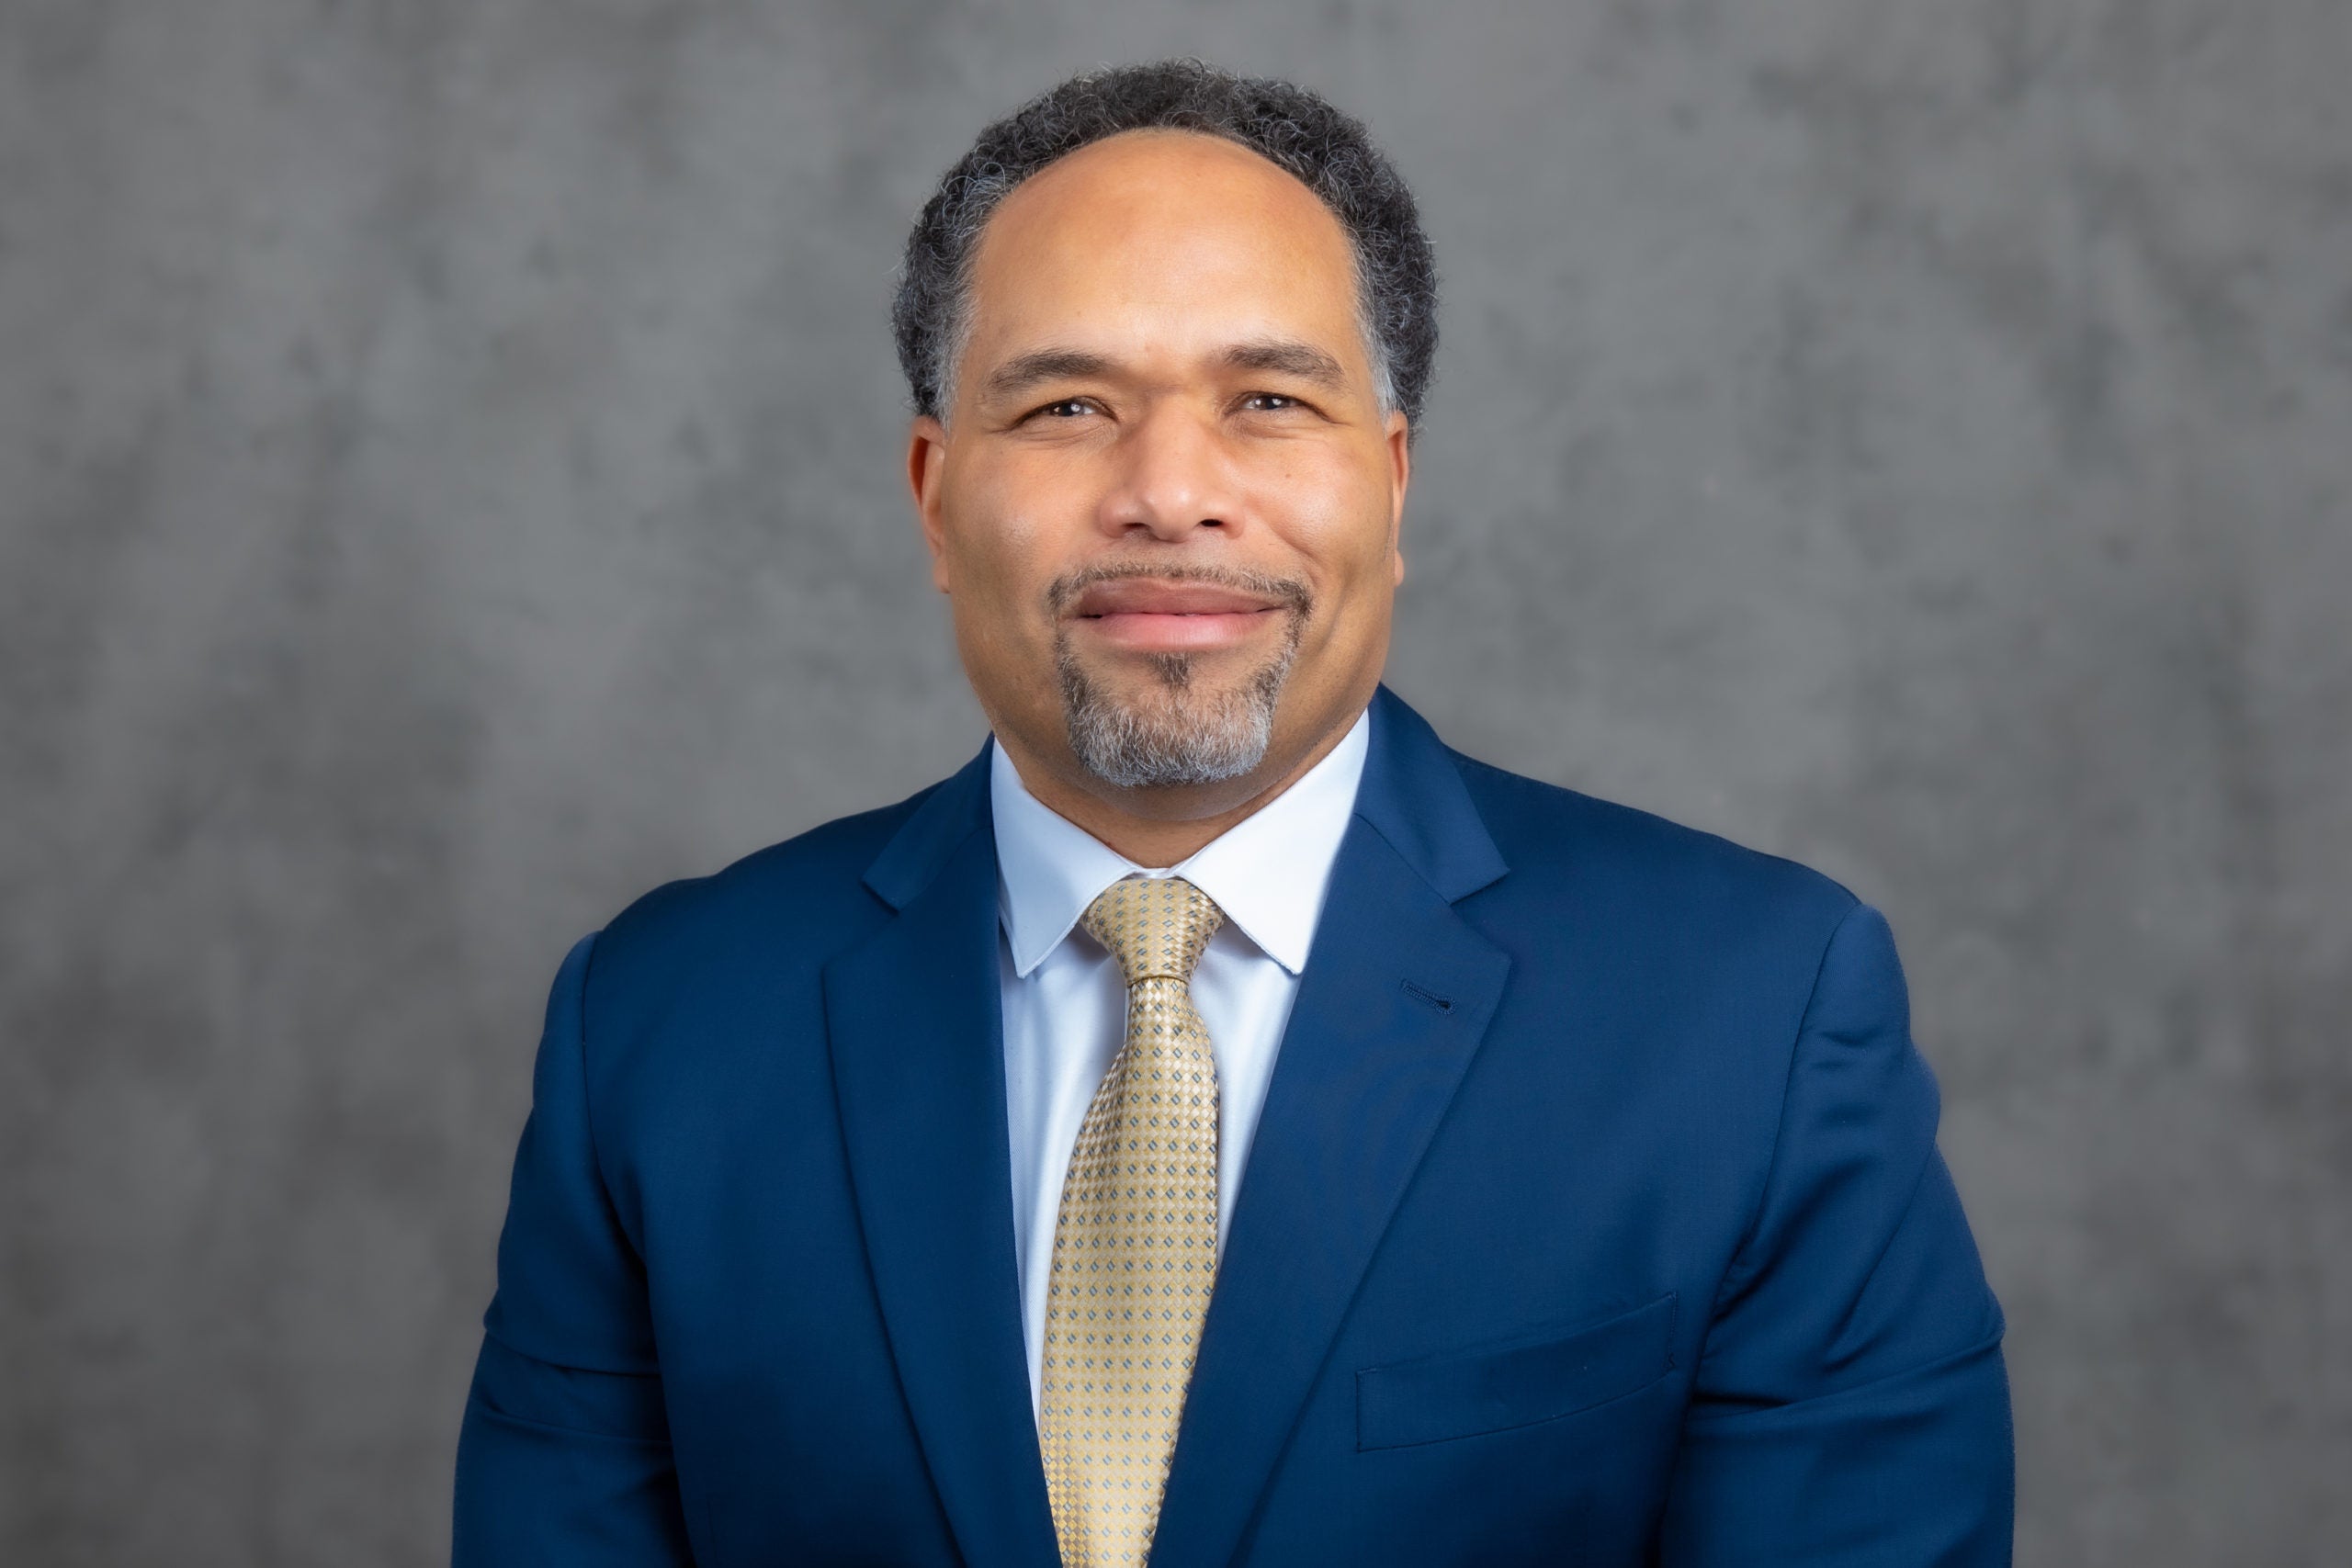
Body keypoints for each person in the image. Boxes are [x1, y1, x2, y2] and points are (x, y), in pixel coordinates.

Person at [452, 60, 2012, 1567]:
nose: (1169, 492)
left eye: (1268, 398)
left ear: (1391, 486)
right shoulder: (659, 1030)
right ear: (935, 496)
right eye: (1066, 408)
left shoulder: (1753, 1016)